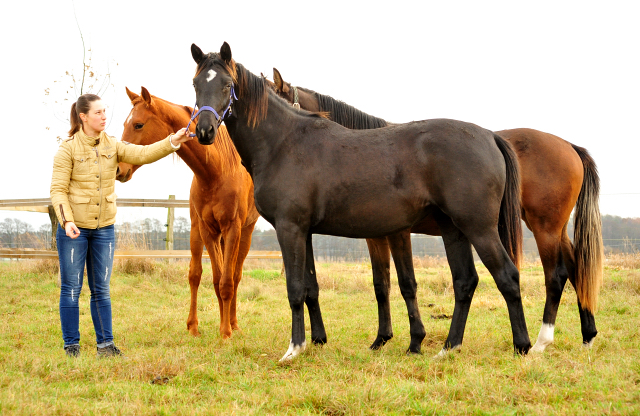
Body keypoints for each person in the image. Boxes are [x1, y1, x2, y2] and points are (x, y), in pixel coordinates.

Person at [50, 93, 193, 358]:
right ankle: (71, 347)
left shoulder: (113, 145)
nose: (104, 117)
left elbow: (144, 153)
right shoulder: (67, 149)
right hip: (74, 230)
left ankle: (106, 345)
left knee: (101, 289)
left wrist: (173, 141)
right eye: (98, 113)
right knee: (71, 288)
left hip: (104, 229)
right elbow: (57, 190)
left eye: (105, 112)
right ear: (83, 117)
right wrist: (66, 220)